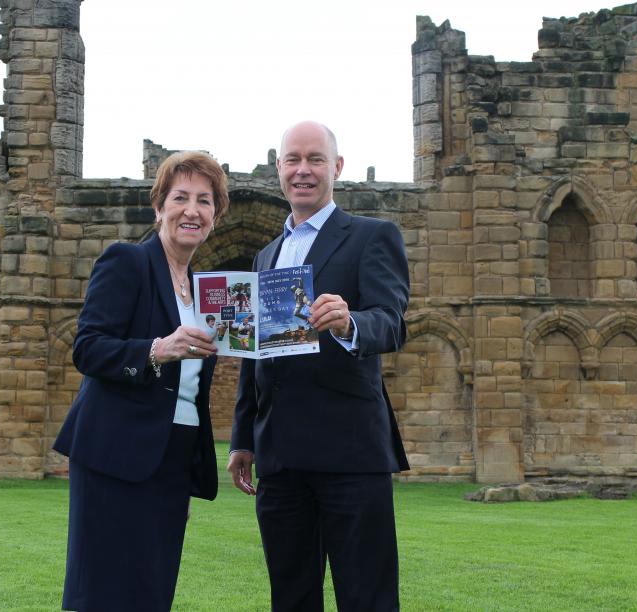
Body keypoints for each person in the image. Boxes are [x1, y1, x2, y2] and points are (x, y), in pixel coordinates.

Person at [227, 121, 410, 612]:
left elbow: (391, 323)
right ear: (279, 169)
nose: (303, 170)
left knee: (365, 595)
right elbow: (254, 353)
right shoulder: (266, 256)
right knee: (291, 597)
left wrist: (350, 322)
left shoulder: (372, 237)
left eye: (315, 160)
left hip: (350, 451)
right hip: (281, 458)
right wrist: (243, 438)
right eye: (293, 160)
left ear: (337, 168)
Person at [54, 151, 229, 611]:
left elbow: (192, 389)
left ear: (216, 216)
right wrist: (157, 349)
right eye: (181, 197)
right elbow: (87, 348)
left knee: (152, 592)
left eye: (205, 201)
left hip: (172, 458)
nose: (192, 210)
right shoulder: (127, 262)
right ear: (159, 208)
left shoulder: (208, 291)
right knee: (104, 592)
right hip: (116, 453)